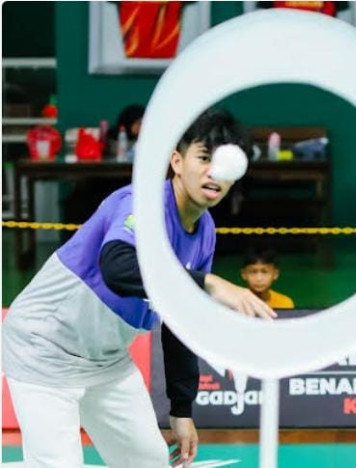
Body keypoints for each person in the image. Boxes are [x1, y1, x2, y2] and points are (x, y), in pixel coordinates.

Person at [2, 108, 276, 467]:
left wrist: (181, 408)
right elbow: (117, 266)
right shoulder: (141, 203)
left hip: (106, 361)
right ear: (177, 161)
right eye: (204, 158)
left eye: (224, 162)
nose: (214, 172)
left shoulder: (204, 231)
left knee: (148, 461)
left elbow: (181, 319)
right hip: (44, 348)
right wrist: (208, 283)